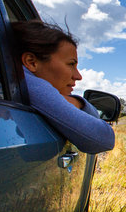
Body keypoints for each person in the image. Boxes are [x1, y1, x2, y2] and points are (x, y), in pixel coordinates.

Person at [11, 20, 115, 154]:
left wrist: (77, 102)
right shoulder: (25, 82)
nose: (78, 76)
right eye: (71, 64)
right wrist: (75, 102)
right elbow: (104, 139)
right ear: (31, 62)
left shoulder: (17, 83)